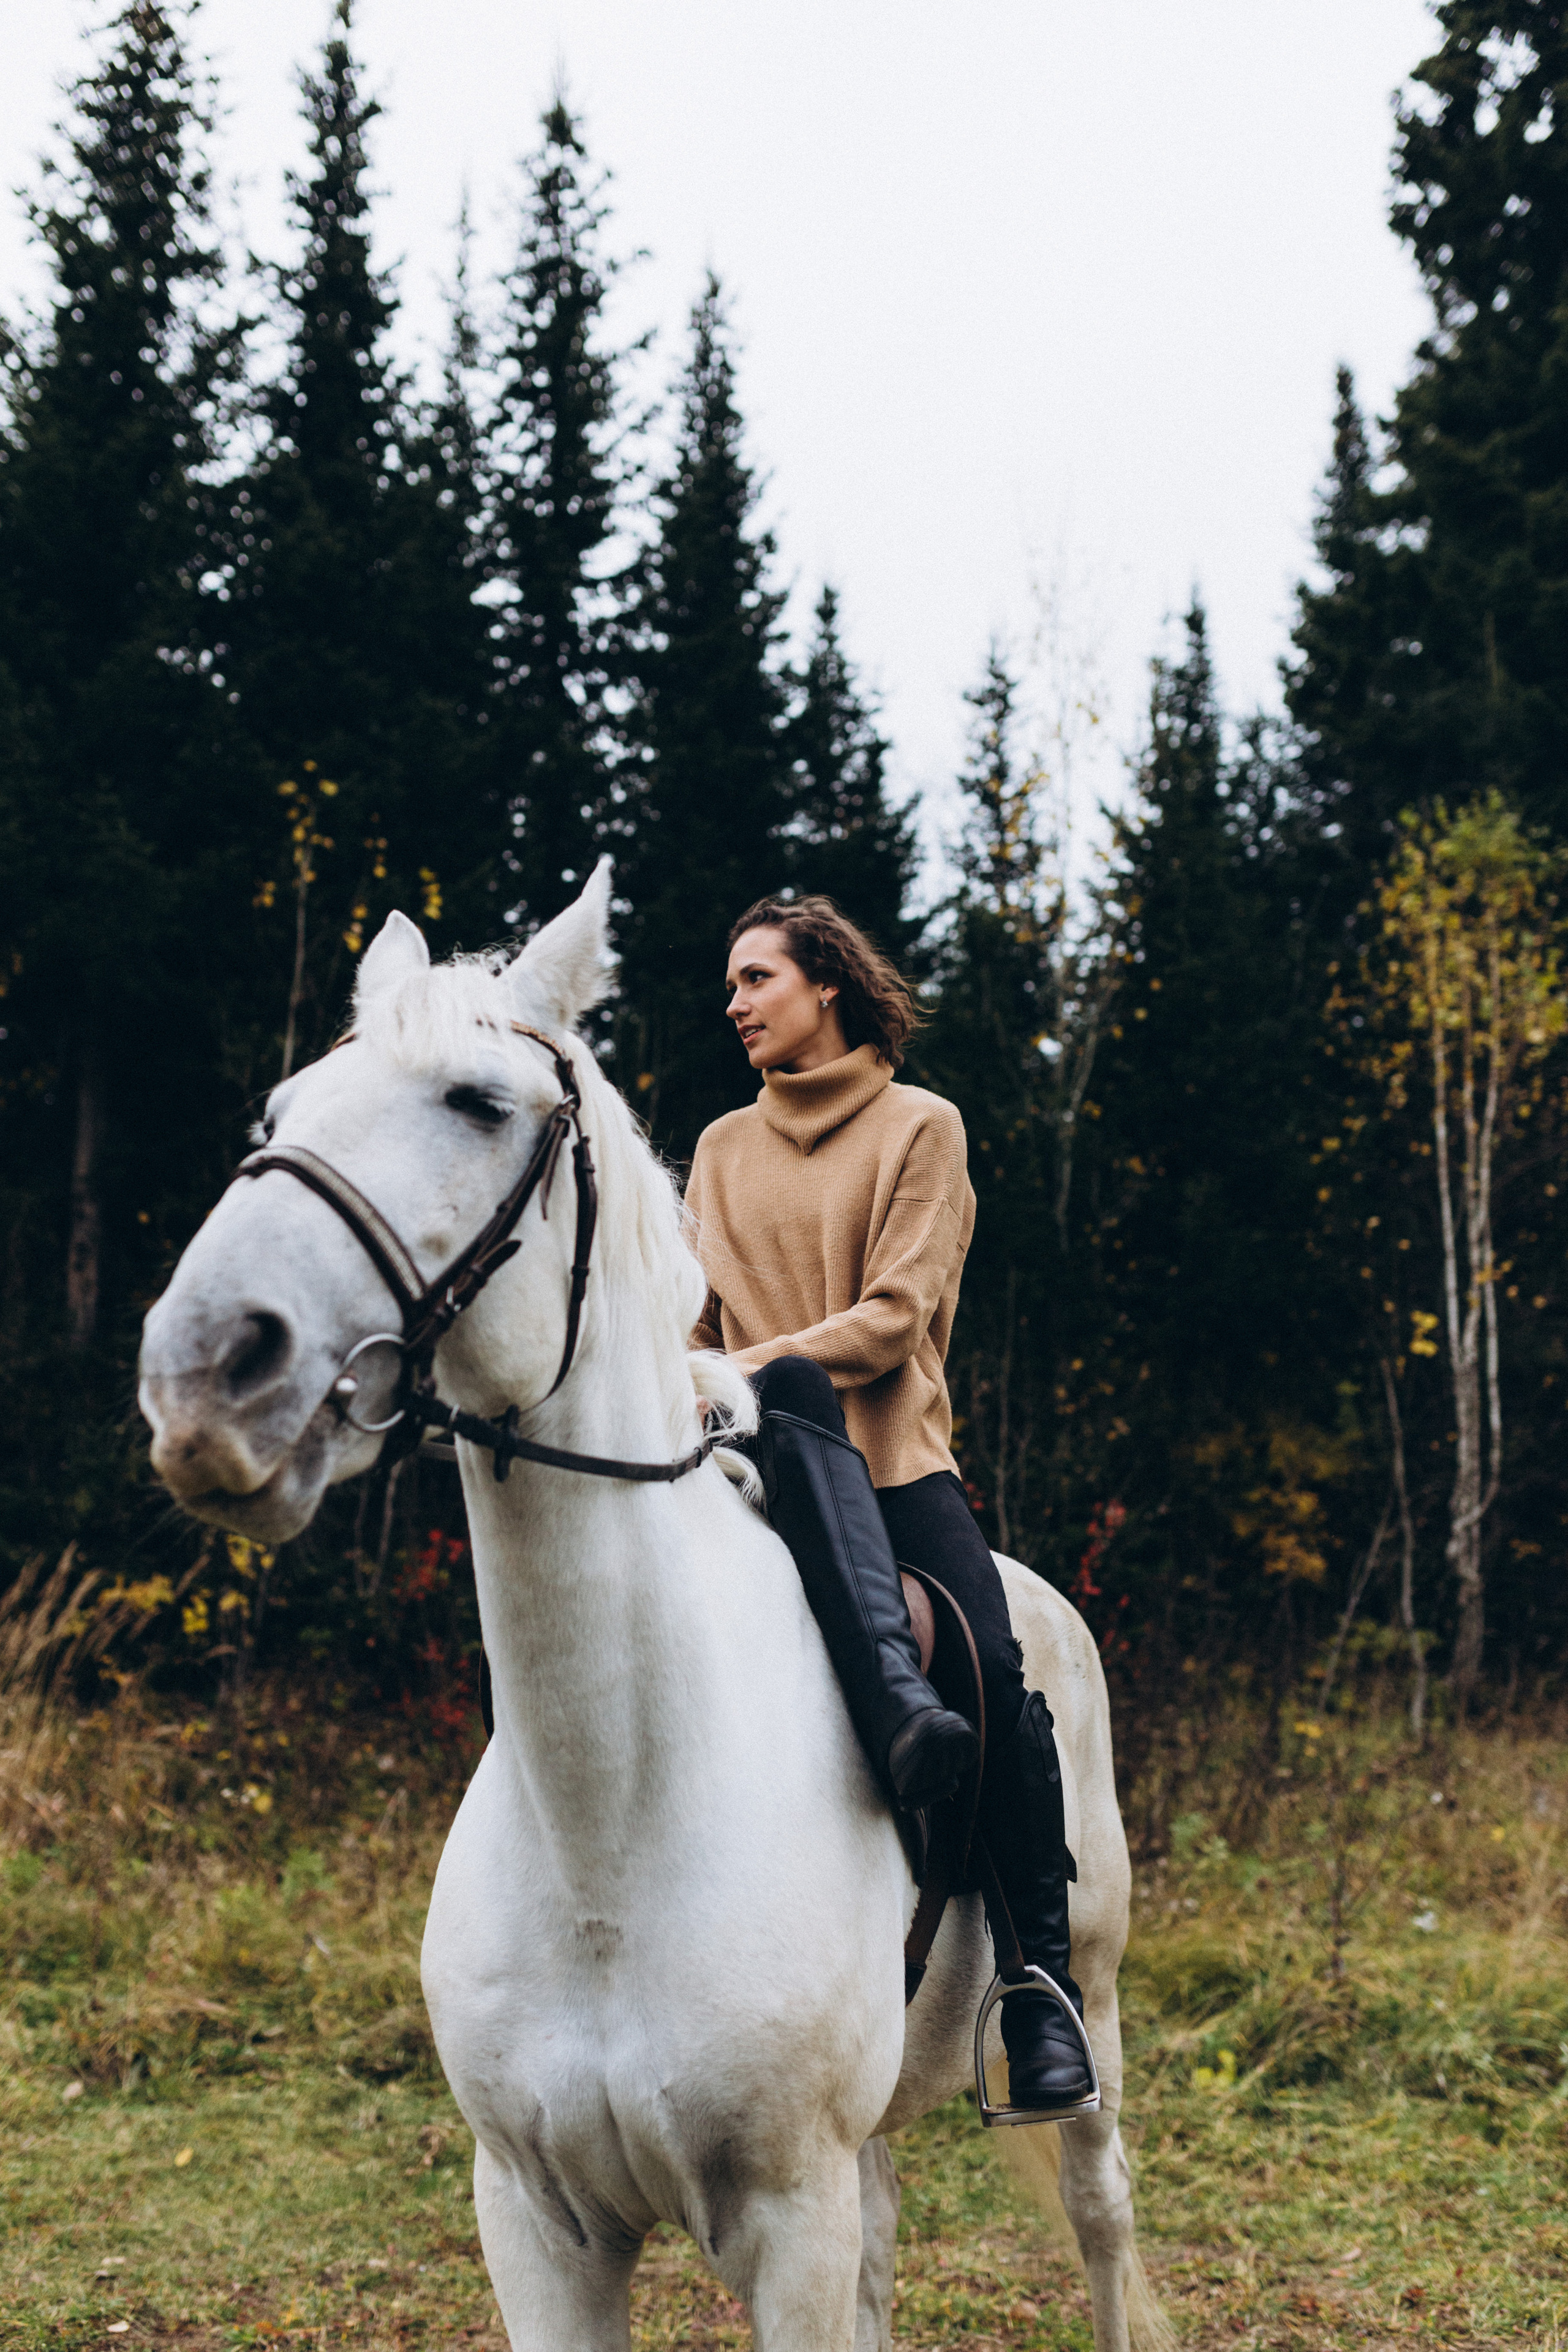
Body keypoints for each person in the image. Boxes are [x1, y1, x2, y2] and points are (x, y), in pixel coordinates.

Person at [685, 895, 1091, 2112]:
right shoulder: (714, 1149)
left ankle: (1036, 1994)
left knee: (1000, 1680)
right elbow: (690, 1328)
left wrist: (746, 1367)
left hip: (892, 1467)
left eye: (756, 978)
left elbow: (892, 1320)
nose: (736, 1004)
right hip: (746, 1472)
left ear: (827, 985)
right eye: (729, 987)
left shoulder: (923, 1126)